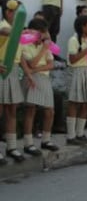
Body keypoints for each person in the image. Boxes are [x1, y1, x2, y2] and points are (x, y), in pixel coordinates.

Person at [21, 18, 59, 155]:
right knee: (30, 110)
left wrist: (35, 69)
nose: (43, 36)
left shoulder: (45, 45)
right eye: (41, 33)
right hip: (32, 79)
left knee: (50, 111)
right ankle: (28, 143)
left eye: (44, 33)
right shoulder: (25, 45)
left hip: (43, 77)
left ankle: (46, 140)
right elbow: (31, 63)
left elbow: (51, 64)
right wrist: (43, 50)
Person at [0, 0, 25, 163]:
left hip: (14, 71)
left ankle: (12, 147)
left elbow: (20, 54)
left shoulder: (18, 30)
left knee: (12, 110)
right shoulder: (3, 27)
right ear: (9, 13)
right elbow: (9, 34)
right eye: (17, 15)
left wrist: (28, 73)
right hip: (2, 70)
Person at [66, 15, 87, 145]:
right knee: (74, 103)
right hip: (76, 71)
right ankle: (71, 136)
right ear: (83, 26)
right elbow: (73, 59)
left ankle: (80, 133)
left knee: (85, 103)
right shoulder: (74, 40)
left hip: (85, 71)